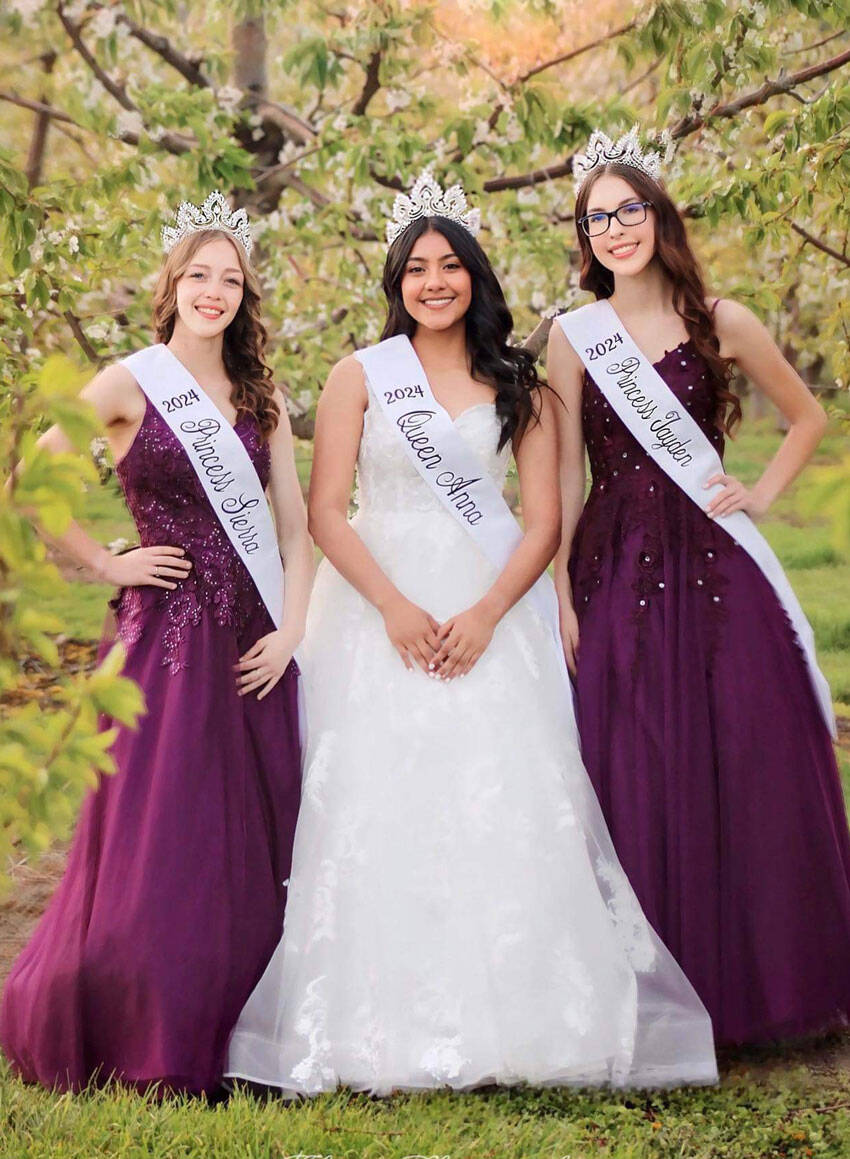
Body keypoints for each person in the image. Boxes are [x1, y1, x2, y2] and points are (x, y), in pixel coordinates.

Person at [224, 171, 717, 1095]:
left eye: (451, 265)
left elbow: (540, 522)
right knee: (382, 801)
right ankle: (382, 1024)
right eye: (417, 269)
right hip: (378, 613)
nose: (435, 282)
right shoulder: (358, 376)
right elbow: (328, 511)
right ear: (396, 283)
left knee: (503, 797)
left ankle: (523, 1020)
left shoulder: (518, 381)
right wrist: (396, 607)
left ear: (475, 277)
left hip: (491, 609)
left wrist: (487, 613)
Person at [0, 192, 313, 1095]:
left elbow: (294, 528)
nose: (213, 292)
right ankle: (142, 1017)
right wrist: (108, 562)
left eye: (231, 279)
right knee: (163, 834)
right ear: (171, 286)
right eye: (198, 276)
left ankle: (242, 1020)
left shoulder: (262, 395)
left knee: (252, 832)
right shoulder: (127, 380)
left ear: (245, 296)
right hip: (164, 644)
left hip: (253, 640)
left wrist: (292, 627)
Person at [548, 128, 850, 1046]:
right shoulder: (572, 335)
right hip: (614, 560)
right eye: (596, 219)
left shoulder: (724, 319)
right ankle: (647, 988)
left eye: (626, 210)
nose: (614, 230)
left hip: (716, 564)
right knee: (630, 755)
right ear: (587, 236)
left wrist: (760, 491)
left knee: (744, 751)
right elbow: (564, 474)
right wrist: (559, 588)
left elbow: (806, 416)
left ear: (658, 213)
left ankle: (753, 984)